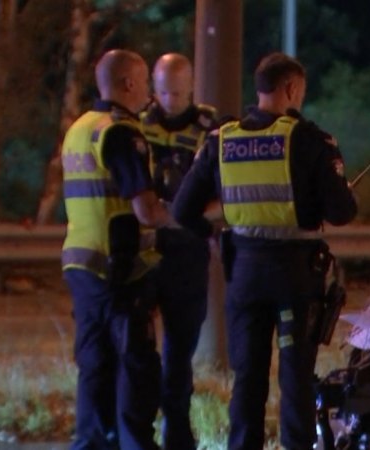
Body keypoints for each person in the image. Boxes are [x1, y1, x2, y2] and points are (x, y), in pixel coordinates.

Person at [172, 52, 357, 450]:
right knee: (295, 379)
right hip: (295, 276)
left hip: (244, 272)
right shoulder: (309, 140)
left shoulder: (223, 139)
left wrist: (210, 236)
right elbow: (342, 212)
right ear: (291, 88)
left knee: (248, 378)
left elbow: (182, 209)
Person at [61, 49, 175, 450]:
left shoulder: (79, 128)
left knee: (94, 363)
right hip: (118, 269)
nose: (147, 91)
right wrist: (183, 215)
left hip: (80, 262)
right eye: (144, 81)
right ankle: (135, 444)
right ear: (128, 84)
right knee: (136, 365)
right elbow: (146, 210)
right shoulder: (120, 132)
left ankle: (93, 442)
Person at [139, 52, 218, 450]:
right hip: (146, 247)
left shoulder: (211, 128)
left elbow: (223, 188)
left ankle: (178, 433)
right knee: (138, 349)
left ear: (191, 88)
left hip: (187, 248)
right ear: (154, 87)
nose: (170, 100)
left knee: (180, 351)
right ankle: (138, 432)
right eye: (164, 91)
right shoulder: (138, 125)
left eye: (178, 91)